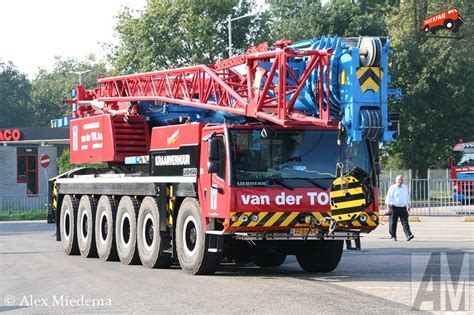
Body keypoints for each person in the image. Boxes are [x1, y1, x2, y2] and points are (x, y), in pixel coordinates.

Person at [386, 175, 414, 241]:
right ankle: (393, 235)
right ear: (396, 180)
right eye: (399, 180)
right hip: (394, 208)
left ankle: (408, 235)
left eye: (401, 180)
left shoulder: (405, 188)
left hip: (403, 208)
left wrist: (408, 206)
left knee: (405, 223)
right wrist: (388, 208)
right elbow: (388, 198)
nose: (400, 181)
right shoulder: (392, 188)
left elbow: (407, 197)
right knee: (393, 223)